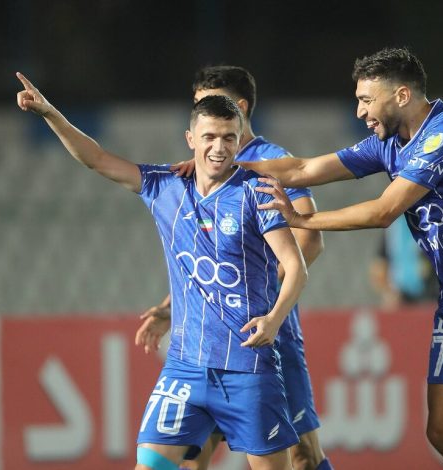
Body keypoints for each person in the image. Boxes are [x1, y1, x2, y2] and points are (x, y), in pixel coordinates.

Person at [231, 47, 443, 470]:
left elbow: (383, 211)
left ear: (401, 95)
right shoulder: (389, 145)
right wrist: (219, 164)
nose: (360, 112)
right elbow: (302, 169)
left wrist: (304, 220)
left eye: (366, 100)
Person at [15, 73, 308, 470]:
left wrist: (274, 320)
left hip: (248, 369)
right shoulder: (165, 185)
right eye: (209, 137)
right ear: (191, 139)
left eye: (228, 138)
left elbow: (295, 266)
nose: (219, 147)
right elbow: (96, 158)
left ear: (240, 139)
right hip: (185, 368)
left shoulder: (256, 192)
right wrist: (51, 113)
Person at [135, 65, 331, 470]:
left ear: (239, 107)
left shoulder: (271, 161)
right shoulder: (202, 164)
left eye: (214, 104)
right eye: (199, 108)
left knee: (302, 454)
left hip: (263, 337)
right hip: (208, 348)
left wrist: (258, 302)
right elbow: (207, 257)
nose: (206, 114)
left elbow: (309, 239)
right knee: (190, 459)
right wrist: (171, 307)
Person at [369, 217, 437, 308]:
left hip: (432, 296)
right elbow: (379, 268)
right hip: (401, 297)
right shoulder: (393, 227)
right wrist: (389, 293)